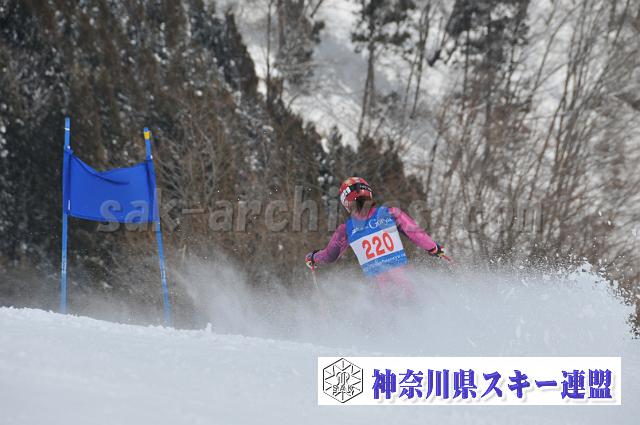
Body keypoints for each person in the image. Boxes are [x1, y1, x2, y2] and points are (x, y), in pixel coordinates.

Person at [305, 177, 450, 301]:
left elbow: (330, 256)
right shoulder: (390, 213)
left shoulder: (345, 229)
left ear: (346, 202)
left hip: (379, 294)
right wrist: (434, 248)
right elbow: (416, 234)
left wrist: (313, 257)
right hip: (405, 283)